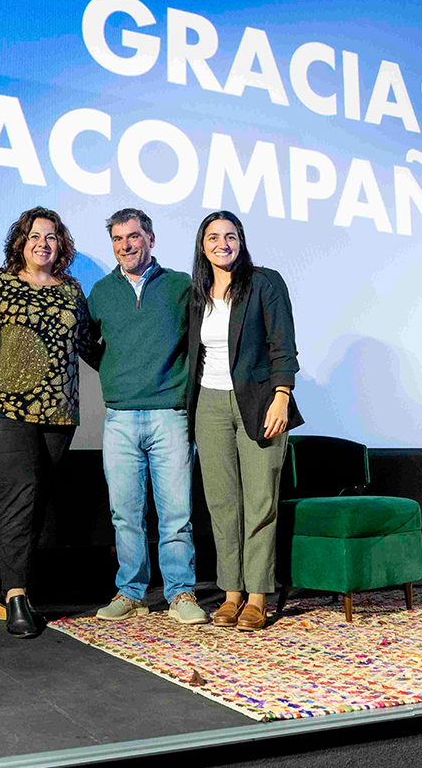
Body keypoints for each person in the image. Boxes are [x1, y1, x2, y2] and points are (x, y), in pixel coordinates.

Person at [85, 208, 208, 625]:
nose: (126, 246)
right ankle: (131, 592)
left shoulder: (180, 286)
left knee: (176, 512)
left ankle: (180, 593)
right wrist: (116, 375)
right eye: (118, 239)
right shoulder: (100, 291)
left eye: (133, 237)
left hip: (169, 415)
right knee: (125, 513)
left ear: (150, 239)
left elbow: (198, 345)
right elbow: (89, 343)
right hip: (120, 417)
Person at [186, 210, 303, 632]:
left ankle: (257, 596)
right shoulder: (196, 293)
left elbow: (282, 343)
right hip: (209, 404)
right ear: (203, 245)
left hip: (258, 402)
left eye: (231, 236)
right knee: (221, 504)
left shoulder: (264, 282)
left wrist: (281, 398)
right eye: (214, 236)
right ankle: (230, 593)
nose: (223, 243)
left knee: (260, 502)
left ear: (241, 241)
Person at [0, 207, 90, 638]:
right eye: (34, 236)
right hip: (5, 407)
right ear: (20, 243)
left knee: (35, 500)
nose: (43, 243)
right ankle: (18, 596)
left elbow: (89, 344)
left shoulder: (72, 290)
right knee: (17, 496)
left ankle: (7, 590)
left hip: (59, 414)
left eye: (51, 236)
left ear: (61, 245)